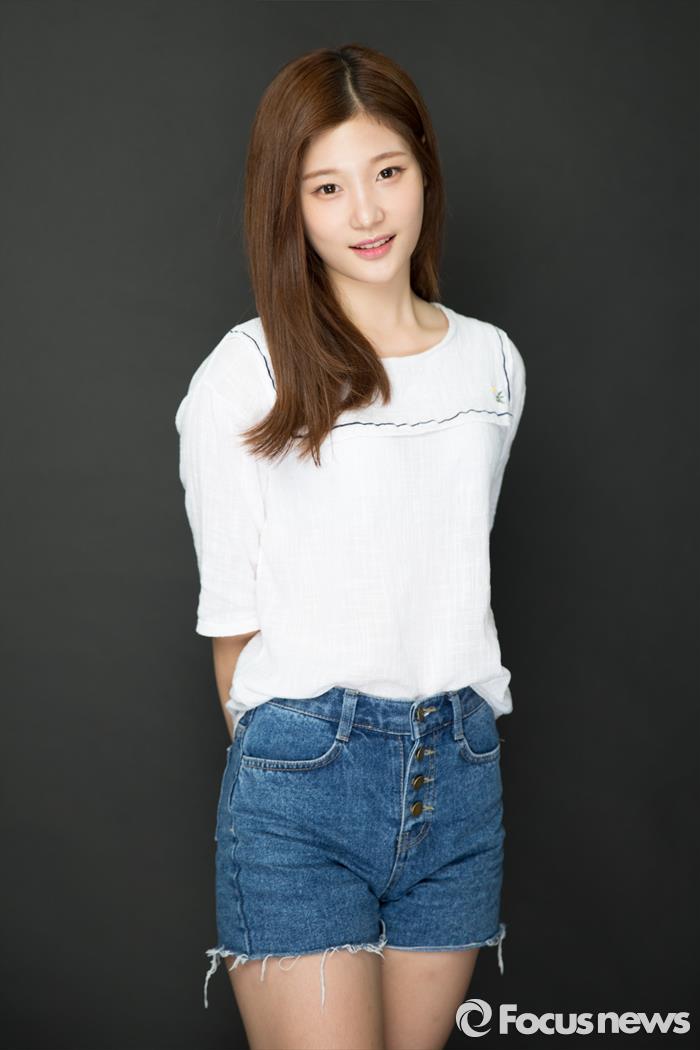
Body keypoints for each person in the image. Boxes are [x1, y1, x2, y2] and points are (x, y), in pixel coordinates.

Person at [175, 41, 526, 1050]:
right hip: (302, 781)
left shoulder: (493, 364)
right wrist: (300, 775)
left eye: (387, 172)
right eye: (326, 187)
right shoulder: (247, 372)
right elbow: (232, 627)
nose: (365, 212)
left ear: (424, 171)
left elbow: (444, 567)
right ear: (288, 205)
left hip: (461, 773)